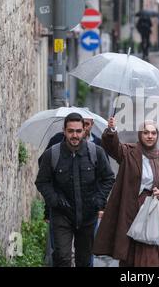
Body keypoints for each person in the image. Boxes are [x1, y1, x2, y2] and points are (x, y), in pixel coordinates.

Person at [35, 113, 115, 267]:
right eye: (71, 131)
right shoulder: (52, 153)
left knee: (84, 261)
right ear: (64, 131)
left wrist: (98, 201)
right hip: (62, 215)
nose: (75, 135)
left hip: (87, 217)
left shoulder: (95, 152)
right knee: (62, 258)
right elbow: (42, 181)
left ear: (84, 131)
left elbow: (108, 178)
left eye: (78, 131)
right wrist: (55, 200)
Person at [93, 117, 159, 267]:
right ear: (140, 134)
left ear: (157, 135)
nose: (150, 136)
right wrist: (111, 130)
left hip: (150, 209)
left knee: (150, 250)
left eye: (153, 133)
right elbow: (112, 146)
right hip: (130, 207)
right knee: (129, 251)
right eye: (146, 133)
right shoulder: (128, 152)